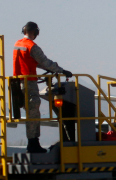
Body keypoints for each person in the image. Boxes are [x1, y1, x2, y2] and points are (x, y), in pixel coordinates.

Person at [13, 21, 72, 153]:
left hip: (17, 83)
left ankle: (32, 143)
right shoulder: (32, 46)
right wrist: (61, 70)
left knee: (29, 112)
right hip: (29, 83)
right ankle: (33, 144)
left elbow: (32, 62)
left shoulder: (18, 44)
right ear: (35, 32)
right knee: (33, 112)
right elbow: (44, 62)